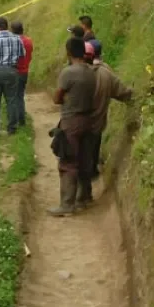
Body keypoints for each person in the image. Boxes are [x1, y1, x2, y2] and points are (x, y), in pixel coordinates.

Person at [48, 37, 97, 216]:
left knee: (68, 162)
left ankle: (67, 205)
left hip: (71, 121)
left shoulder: (68, 72)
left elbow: (57, 98)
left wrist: (64, 99)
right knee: (85, 160)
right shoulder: (91, 72)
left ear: (69, 52)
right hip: (89, 120)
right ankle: (84, 198)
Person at [83, 43, 132, 180]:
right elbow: (124, 93)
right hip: (97, 124)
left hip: (77, 124)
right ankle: (91, 174)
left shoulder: (73, 73)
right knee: (92, 149)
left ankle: (80, 188)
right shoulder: (106, 73)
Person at [11, 21, 34, 126]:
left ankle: (15, 120)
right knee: (20, 96)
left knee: (14, 97)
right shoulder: (28, 41)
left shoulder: (13, 42)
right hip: (25, 71)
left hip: (15, 71)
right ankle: (22, 120)